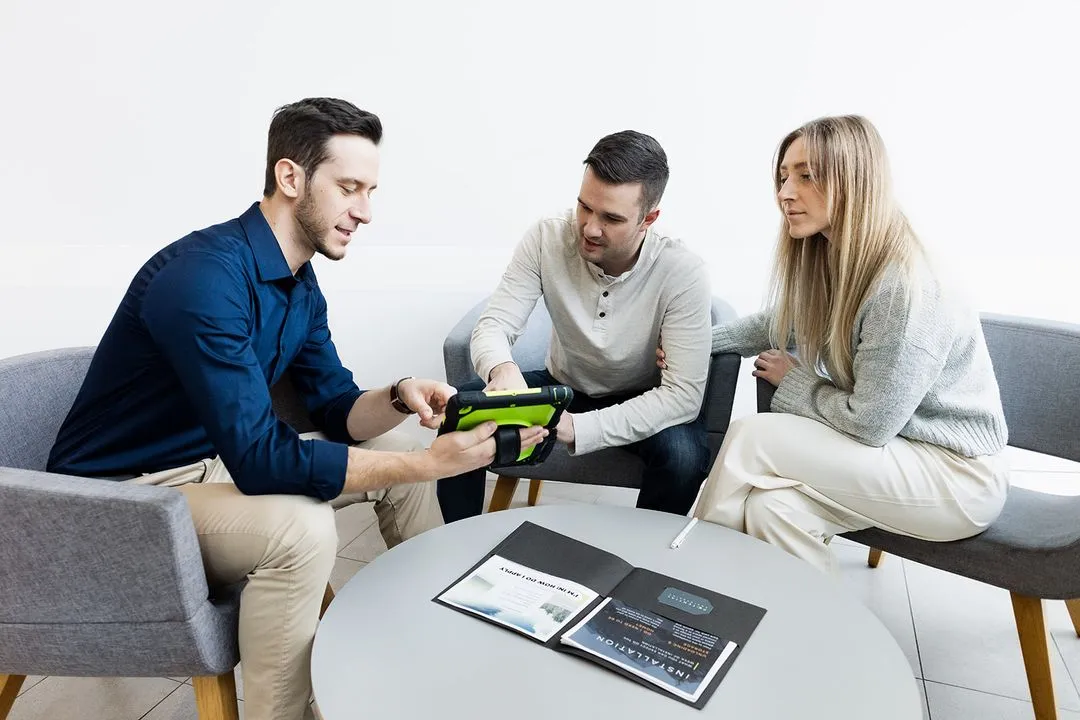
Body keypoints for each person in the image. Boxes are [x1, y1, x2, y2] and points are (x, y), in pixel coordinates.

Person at [47, 97, 546, 720]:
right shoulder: (203, 278)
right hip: (118, 502)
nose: (365, 211)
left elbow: (336, 408)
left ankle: (431, 653)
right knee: (302, 528)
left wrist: (399, 395)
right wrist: (432, 465)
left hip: (211, 466)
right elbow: (261, 461)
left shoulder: (299, 282)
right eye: (349, 188)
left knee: (399, 452)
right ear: (290, 177)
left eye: (370, 191)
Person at [658, 115, 1009, 575]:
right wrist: (693, 343)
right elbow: (778, 324)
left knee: (751, 438)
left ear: (855, 181)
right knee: (772, 509)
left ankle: (686, 579)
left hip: (953, 477)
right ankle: (798, 619)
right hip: (893, 455)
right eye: (784, 176)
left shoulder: (903, 289)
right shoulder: (843, 259)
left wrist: (796, 382)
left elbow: (869, 423)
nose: (785, 193)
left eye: (806, 176)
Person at [437, 130, 713, 523]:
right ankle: (461, 543)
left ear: (648, 219)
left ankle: (641, 552)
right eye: (585, 207)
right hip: (563, 386)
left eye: (611, 218)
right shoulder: (546, 237)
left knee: (684, 457)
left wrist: (578, 428)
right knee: (461, 412)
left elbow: (682, 396)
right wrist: (503, 369)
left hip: (644, 396)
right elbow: (494, 324)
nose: (590, 228)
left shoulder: (683, 271)